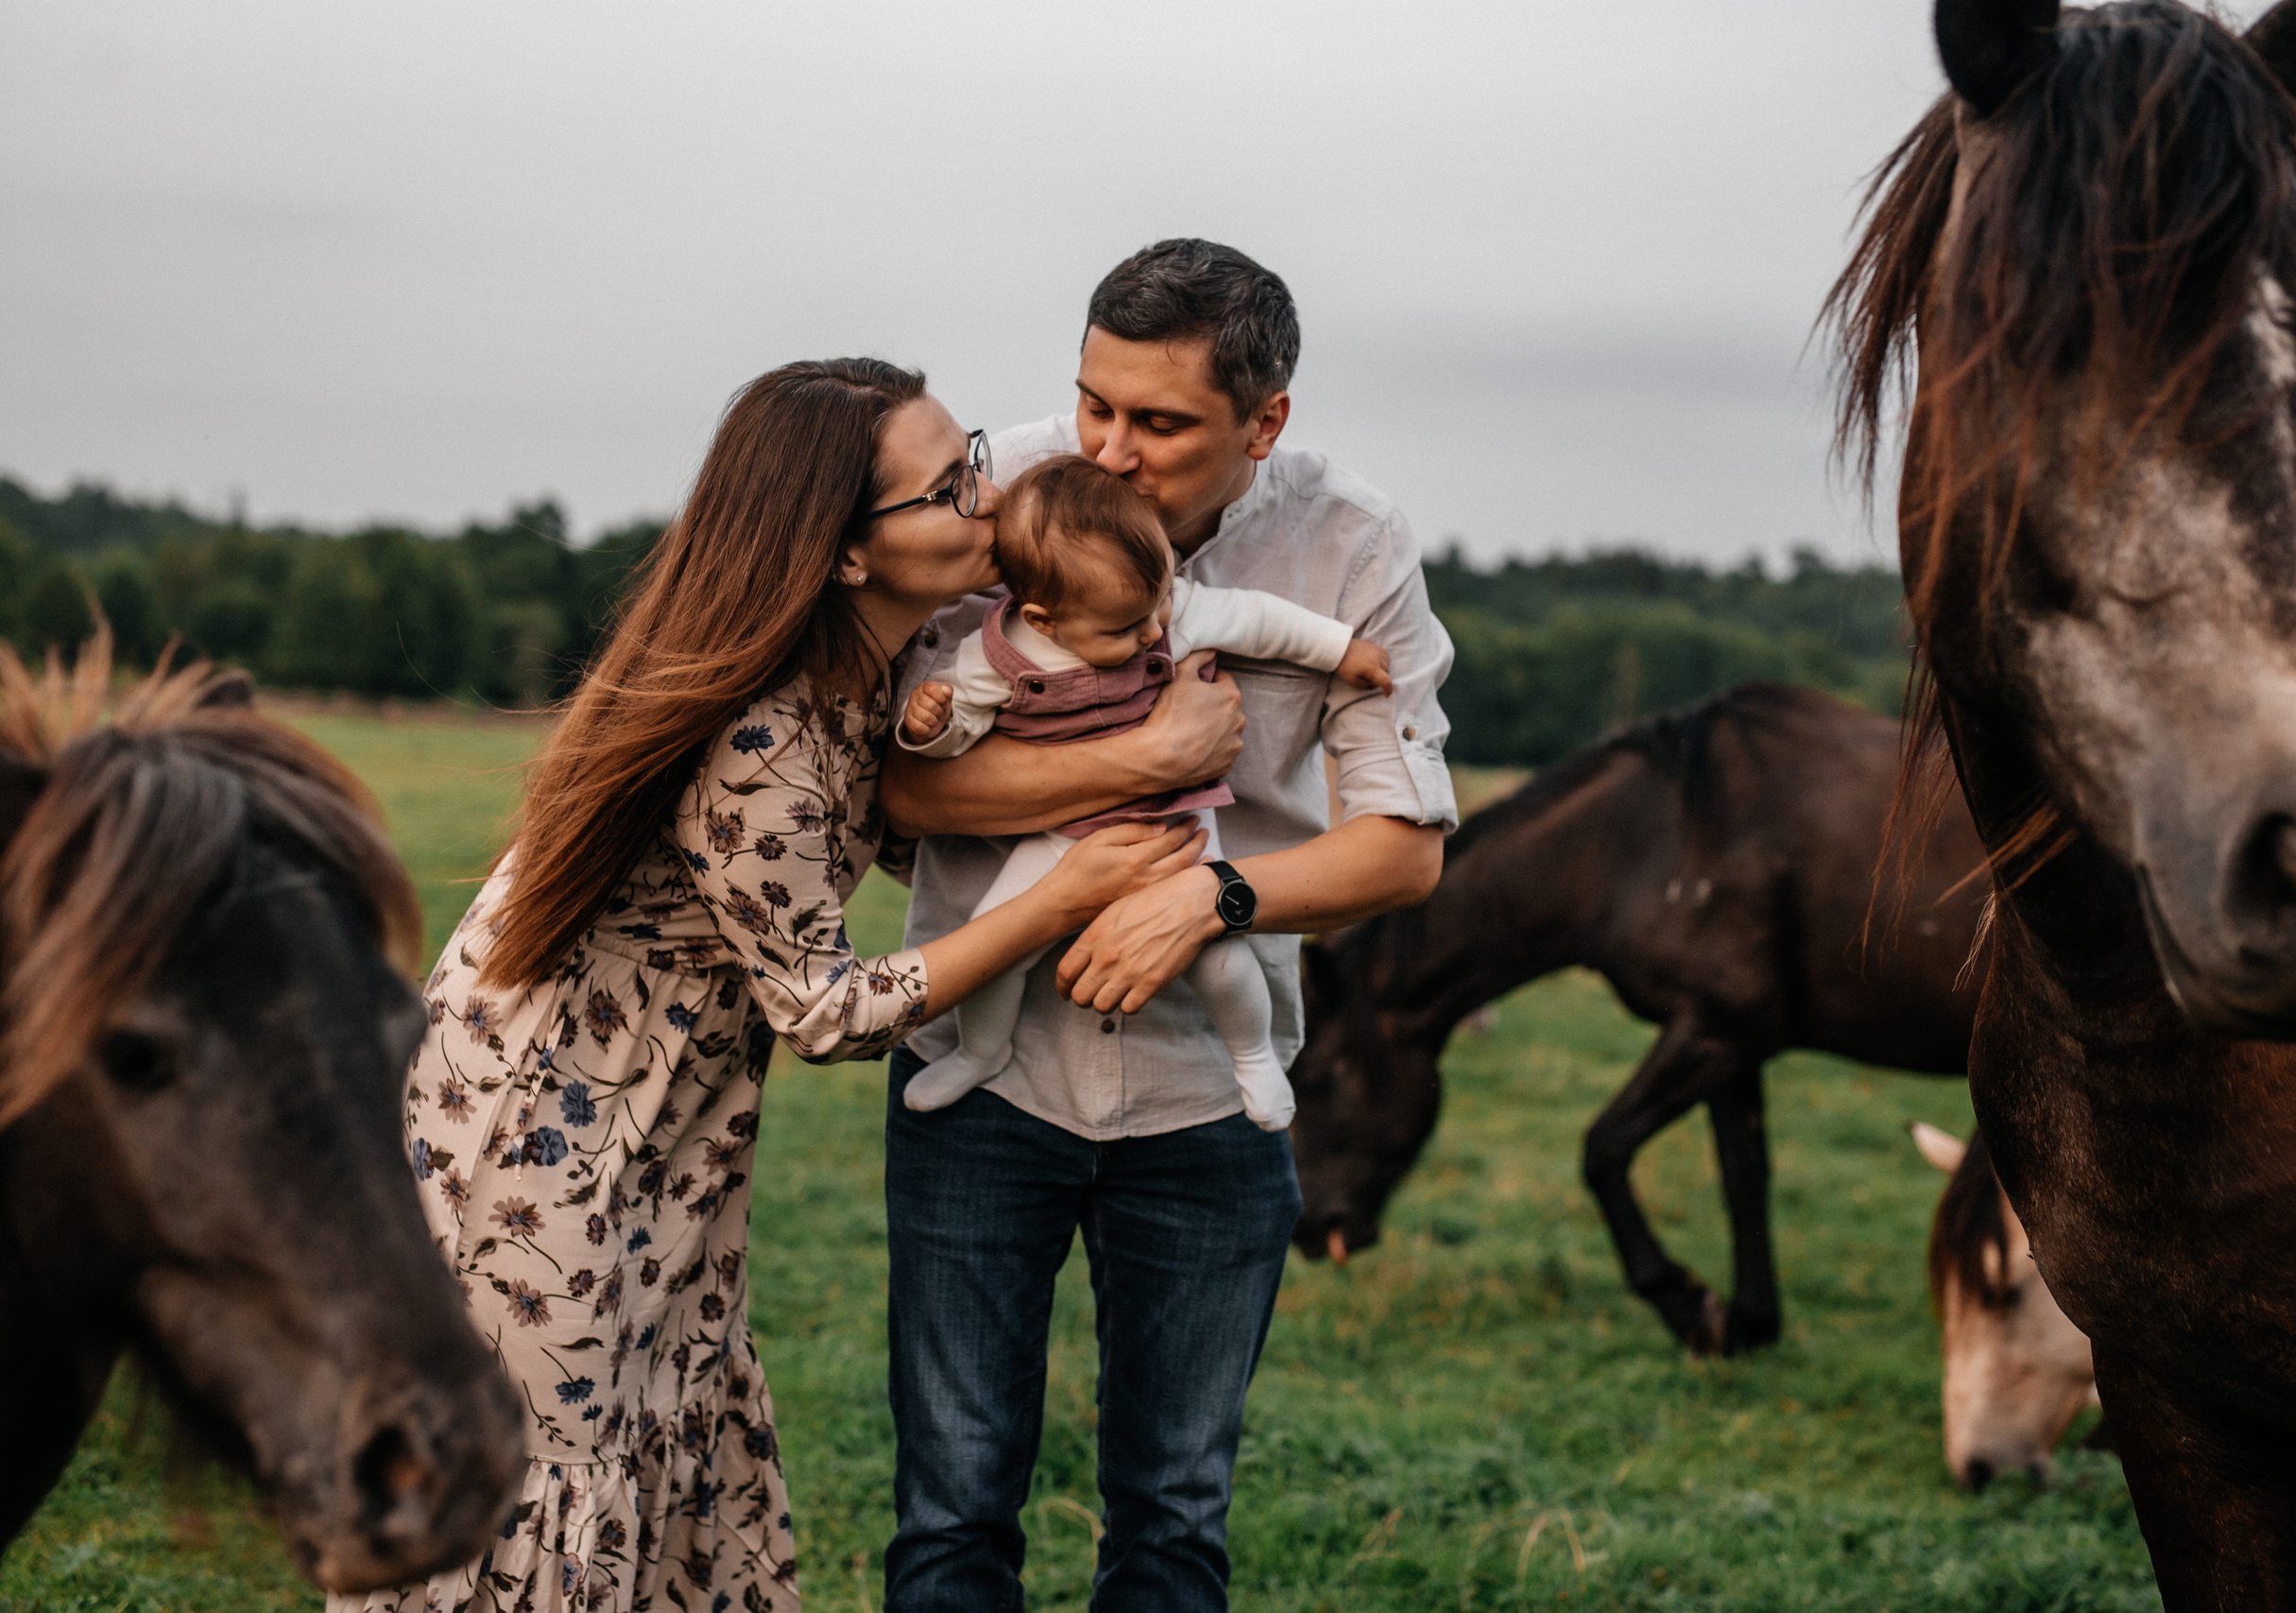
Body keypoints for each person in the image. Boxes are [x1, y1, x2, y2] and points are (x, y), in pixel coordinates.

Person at [334, 359, 1204, 1613]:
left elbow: (916, 826)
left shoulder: (866, 683)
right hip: (543, 1135)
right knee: (558, 1473)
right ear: (848, 553)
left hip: (667, 1128)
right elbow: (825, 1006)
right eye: (947, 484)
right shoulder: (763, 730)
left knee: (670, 1432)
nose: (985, 491)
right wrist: (1060, 900)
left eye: (970, 453)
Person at [881, 239, 1459, 1610]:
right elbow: (900, 784)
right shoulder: (996, 500)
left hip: (1214, 1098)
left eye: (1160, 422)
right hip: (983, 1070)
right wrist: (1137, 769)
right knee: (952, 1513)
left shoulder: (1350, 545)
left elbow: (1404, 846)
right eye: (1094, 403)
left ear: (1266, 423)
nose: (1111, 450)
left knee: (1174, 1521)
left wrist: (1217, 892)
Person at [893, 453, 1395, 1130]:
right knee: (995, 945)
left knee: (1221, 963)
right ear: (1042, 618)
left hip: (1175, 829)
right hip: (1061, 837)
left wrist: (1341, 650)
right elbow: (953, 738)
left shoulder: (1163, 606)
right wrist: (931, 726)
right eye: (1125, 630)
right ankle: (981, 1052)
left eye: (1159, 605)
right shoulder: (996, 658)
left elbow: (1258, 619)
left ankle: (1254, 1059)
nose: (1155, 633)